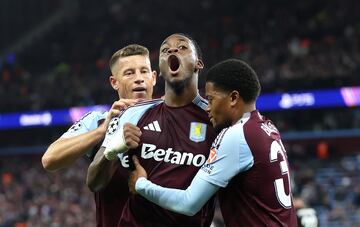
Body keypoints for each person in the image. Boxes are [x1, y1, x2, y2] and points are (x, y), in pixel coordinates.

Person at [129, 59, 298, 226]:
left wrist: (142, 185)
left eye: (211, 99)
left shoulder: (237, 135)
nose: (207, 107)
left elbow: (188, 203)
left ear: (233, 98)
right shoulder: (267, 127)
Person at [87, 33, 217, 227]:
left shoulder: (215, 119)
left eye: (182, 47)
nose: (173, 50)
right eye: (165, 50)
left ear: (198, 63)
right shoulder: (133, 114)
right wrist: (111, 151)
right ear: (159, 71)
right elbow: (94, 183)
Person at [41, 44, 157, 227]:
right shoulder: (97, 120)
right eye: (129, 73)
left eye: (144, 71)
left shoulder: (173, 119)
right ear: (114, 82)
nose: (139, 79)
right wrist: (103, 130)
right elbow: (50, 159)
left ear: (154, 77)